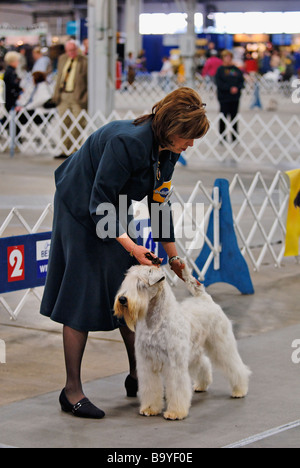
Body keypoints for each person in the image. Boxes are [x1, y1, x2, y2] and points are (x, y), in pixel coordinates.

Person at [40, 87, 210, 419]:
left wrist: (174, 257)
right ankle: (71, 391)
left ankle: (138, 375)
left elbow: (160, 203)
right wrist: (133, 246)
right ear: (173, 127)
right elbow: (98, 201)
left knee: (129, 290)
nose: (191, 144)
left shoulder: (169, 150)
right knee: (83, 291)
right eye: (189, 137)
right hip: (79, 204)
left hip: (113, 205)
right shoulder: (127, 142)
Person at [52, 40, 88, 159]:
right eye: (68, 50)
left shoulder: (85, 61)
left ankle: (75, 150)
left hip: (78, 96)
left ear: (77, 49)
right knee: (64, 123)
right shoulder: (62, 58)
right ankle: (65, 149)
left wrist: (85, 97)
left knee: (78, 123)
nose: (71, 53)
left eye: (73, 50)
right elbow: (59, 78)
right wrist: (56, 94)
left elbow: (89, 81)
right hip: (63, 95)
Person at [215, 50, 244, 142]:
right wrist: (229, 88)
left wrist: (237, 88)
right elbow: (219, 83)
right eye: (226, 57)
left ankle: (234, 136)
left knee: (234, 117)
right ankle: (222, 137)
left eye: (229, 57)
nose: (228, 59)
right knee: (223, 117)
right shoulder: (220, 70)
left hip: (234, 98)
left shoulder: (236, 70)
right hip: (224, 98)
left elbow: (241, 81)